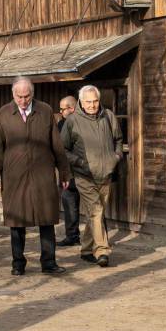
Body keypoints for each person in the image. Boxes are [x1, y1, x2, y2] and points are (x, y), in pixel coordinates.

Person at [0, 77, 71, 276]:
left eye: (27, 96)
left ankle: (49, 262)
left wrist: (64, 172)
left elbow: (56, 145)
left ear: (32, 94)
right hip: (14, 175)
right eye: (19, 97)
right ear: (13, 95)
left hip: (42, 174)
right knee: (17, 221)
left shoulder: (45, 111)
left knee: (46, 219)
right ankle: (18, 263)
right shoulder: (3, 114)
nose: (23, 101)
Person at [61, 85, 123, 268]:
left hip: (105, 174)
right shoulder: (72, 121)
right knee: (96, 211)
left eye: (95, 101)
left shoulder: (108, 116)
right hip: (84, 175)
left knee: (95, 214)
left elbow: (118, 140)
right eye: (88, 101)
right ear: (81, 101)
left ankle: (87, 249)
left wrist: (116, 157)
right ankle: (102, 250)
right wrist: (79, 162)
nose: (92, 105)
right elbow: (63, 149)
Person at [57, 95, 81, 247]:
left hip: (85, 170)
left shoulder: (83, 123)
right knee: (69, 203)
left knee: (94, 207)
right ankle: (72, 236)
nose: (60, 112)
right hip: (68, 172)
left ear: (71, 109)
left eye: (62, 109)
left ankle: (99, 238)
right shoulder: (61, 125)